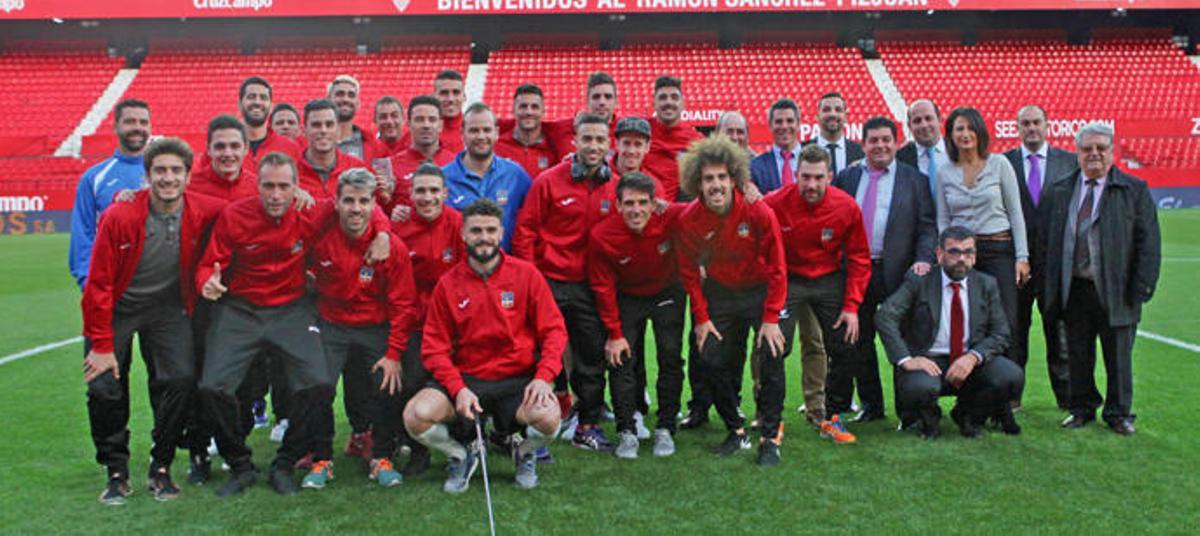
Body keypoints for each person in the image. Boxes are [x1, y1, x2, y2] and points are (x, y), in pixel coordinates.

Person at [193, 152, 391, 497]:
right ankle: (240, 464)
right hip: (241, 310)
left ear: (296, 188)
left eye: (284, 186)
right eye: (268, 186)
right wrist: (205, 282)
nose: (275, 195)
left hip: (292, 308)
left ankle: (285, 461)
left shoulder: (312, 210)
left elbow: (362, 203)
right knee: (212, 386)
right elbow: (209, 263)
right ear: (257, 186)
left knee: (317, 383)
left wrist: (385, 233)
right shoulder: (235, 215)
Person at [81, 137, 225, 504]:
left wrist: (303, 200)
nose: (168, 178)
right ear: (146, 176)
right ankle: (115, 470)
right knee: (104, 385)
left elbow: (248, 209)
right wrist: (100, 346)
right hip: (118, 307)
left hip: (166, 308)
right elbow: (97, 284)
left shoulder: (203, 209)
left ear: (188, 176)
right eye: (160, 170)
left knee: (181, 379)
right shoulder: (121, 215)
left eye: (176, 170)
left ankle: (160, 465)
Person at [403, 199, 567, 493]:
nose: (484, 237)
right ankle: (460, 454)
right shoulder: (448, 284)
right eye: (476, 230)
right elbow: (433, 348)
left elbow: (554, 331)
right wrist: (457, 388)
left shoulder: (526, 275)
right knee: (415, 416)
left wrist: (544, 377)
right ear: (464, 235)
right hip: (466, 379)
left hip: (516, 379)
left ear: (501, 232)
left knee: (549, 418)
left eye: (491, 230)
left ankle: (524, 450)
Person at [1039, 122, 1161, 436]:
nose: (1094, 154)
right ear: (1077, 153)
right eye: (1087, 149)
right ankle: (1081, 408)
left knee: (1119, 356)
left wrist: (1142, 288)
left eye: (1100, 148)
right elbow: (1047, 243)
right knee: (1078, 354)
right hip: (1075, 287)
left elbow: (1148, 243)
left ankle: (1119, 413)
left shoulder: (1134, 190)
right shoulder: (1060, 190)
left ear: (1112, 151)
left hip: (1116, 289)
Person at [675, 135, 787, 465]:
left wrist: (770, 318)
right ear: (698, 183)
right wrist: (701, 318)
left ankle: (770, 435)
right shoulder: (689, 220)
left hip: (760, 292)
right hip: (720, 294)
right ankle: (736, 429)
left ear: (734, 178)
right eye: (709, 179)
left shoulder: (757, 211)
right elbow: (689, 275)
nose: (716, 185)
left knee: (772, 354)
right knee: (708, 356)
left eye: (722, 177)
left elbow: (779, 267)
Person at [305, 168, 417, 490]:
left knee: (388, 380)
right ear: (337, 203)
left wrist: (394, 353)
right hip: (331, 324)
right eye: (349, 201)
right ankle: (322, 459)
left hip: (373, 326)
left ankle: (381, 456)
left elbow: (403, 304)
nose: (356, 208)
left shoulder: (390, 247)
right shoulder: (321, 238)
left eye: (363, 201)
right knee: (318, 383)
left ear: (373, 205)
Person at [512, 112, 616, 452]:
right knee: (540, 354)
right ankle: (531, 424)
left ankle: (587, 424)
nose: (593, 146)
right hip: (550, 282)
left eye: (600, 140)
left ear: (608, 144)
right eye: (587, 139)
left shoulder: (613, 184)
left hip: (589, 285)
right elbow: (525, 231)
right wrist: (531, 281)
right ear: (575, 142)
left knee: (590, 355)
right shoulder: (549, 181)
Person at [831, 116, 937, 423]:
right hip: (856, 273)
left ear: (896, 142)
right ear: (863, 144)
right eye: (873, 140)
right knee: (858, 342)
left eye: (885, 140)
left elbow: (927, 227)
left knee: (902, 339)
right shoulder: (847, 178)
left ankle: (909, 410)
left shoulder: (913, 179)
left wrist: (924, 259)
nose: (880, 146)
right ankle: (872, 407)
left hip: (899, 273)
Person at [762, 144, 869, 446]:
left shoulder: (846, 207)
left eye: (818, 178)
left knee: (846, 342)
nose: (811, 185)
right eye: (805, 177)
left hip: (827, 279)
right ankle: (772, 422)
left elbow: (860, 257)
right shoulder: (774, 202)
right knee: (772, 346)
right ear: (795, 175)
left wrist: (851, 306)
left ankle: (833, 417)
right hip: (789, 280)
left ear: (830, 177)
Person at [876, 226, 1024, 439]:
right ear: (939, 254)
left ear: (975, 256)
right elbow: (885, 316)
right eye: (954, 252)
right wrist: (906, 359)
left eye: (968, 252)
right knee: (919, 387)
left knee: (1012, 377)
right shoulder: (919, 281)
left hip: (970, 361)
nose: (961, 259)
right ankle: (928, 420)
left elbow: (1001, 332)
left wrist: (973, 357)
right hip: (930, 361)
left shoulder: (986, 284)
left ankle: (967, 415)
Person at [740, 97, 829, 427]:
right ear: (771, 125)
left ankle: (815, 406)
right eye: (777, 121)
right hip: (776, 271)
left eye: (789, 120)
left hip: (813, 270)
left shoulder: (812, 161)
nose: (784, 126)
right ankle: (764, 405)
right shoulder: (756, 167)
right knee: (770, 341)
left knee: (815, 341)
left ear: (799, 123)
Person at [588, 172, 685, 458]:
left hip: (668, 291)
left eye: (644, 203)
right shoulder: (602, 235)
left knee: (670, 355)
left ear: (655, 204)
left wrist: (745, 186)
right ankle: (626, 431)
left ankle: (666, 428)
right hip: (628, 296)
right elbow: (602, 286)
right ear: (617, 205)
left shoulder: (671, 216)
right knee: (621, 360)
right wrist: (614, 334)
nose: (636, 210)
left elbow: (707, 205)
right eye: (629, 203)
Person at [390, 163, 465, 476]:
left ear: (445, 193)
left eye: (434, 190)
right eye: (420, 190)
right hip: (416, 323)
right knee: (412, 383)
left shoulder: (460, 224)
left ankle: (466, 443)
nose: (428, 197)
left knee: (459, 382)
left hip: (454, 323)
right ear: (410, 194)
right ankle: (418, 450)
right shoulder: (399, 229)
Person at [1002, 104, 1077, 410]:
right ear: (1017, 128)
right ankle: (1011, 396)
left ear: (1048, 126)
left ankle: (1068, 398)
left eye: (1036, 123)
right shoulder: (1002, 163)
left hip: (1054, 265)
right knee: (1014, 332)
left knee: (1058, 331)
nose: (1031, 128)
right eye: (1025, 124)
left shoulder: (1069, 163)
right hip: (1013, 262)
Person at [935, 107, 1028, 341]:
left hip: (999, 251)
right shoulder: (944, 172)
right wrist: (946, 253)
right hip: (962, 256)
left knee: (1006, 319)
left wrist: (1022, 257)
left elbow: (1016, 213)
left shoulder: (999, 164)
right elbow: (943, 218)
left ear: (979, 131)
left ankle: (1009, 374)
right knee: (970, 320)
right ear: (950, 135)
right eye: (959, 129)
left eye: (970, 128)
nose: (965, 134)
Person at [69, 99, 152, 289]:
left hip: (159, 287)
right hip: (112, 284)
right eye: (130, 121)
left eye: (143, 122)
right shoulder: (94, 178)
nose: (138, 127)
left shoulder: (165, 173)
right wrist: (88, 282)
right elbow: (83, 233)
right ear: (115, 127)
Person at [442, 102, 532, 252]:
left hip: (505, 266)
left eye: (486, 130)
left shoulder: (516, 175)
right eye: (474, 130)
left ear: (496, 133)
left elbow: (532, 222)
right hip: (459, 268)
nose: (481, 136)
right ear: (462, 133)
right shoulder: (443, 178)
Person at [382, 95, 457, 213]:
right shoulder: (390, 166)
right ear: (409, 123)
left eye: (432, 119)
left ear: (441, 125)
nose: (426, 125)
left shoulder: (456, 163)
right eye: (419, 119)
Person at [642, 76, 704, 201]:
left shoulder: (696, 141)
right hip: (643, 209)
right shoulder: (640, 132)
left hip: (679, 213)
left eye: (674, 97)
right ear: (654, 102)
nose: (668, 102)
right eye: (663, 97)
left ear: (683, 103)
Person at [296, 99, 368, 199]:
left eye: (329, 125)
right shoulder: (290, 173)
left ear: (338, 129)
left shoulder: (357, 168)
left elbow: (373, 210)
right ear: (304, 131)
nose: (323, 130)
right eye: (316, 125)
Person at [187, 115, 258, 202]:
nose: (227, 153)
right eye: (220, 147)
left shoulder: (258, 187)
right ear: (208, 149)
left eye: (235, 146)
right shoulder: (189, 187)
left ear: (246, 148)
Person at [495, 83, 559, 180]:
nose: (529, 112)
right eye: (523, 106)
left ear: (543, 111)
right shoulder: (497, 146)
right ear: (513, 110)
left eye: (535, 107)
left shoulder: (555, 148)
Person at [238, 77, 302, 164]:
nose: (257, 102)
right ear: (239, 104)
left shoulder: (290, 149)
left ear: (271, 107)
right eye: (251, 97)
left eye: (263, 98)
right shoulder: (225, 146)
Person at [399, 70, 465, 154]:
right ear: (434, 96)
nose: (450, 99)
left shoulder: (475, 131)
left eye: (456, 92)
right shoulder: (411, 136)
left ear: (464, 96)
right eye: (444, 93)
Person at [897, 99, 948, 203]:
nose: (924, 125)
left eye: (928, 118)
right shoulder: (899, 159)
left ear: (940, 120)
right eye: (917, 121)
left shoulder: (959, 151)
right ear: (909, 126)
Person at [801, 92, 864, 174]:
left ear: (845, 117)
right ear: (817, 116)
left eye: (838, 110)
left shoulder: (861, 152)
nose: (832, 114)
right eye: (826, 110)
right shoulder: (801, 150)